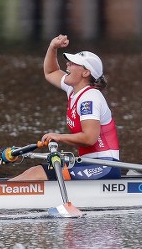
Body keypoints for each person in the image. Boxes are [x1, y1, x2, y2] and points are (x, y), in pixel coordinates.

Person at [10, 35, 121, 181]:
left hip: (104, 167)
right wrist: (53, 47)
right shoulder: (74, 90)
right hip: (88, 163)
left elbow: (89, 138)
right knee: (34, 171)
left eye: (73, 63)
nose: (67, 64)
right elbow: (50, 72)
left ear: (86, 72)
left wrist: (58, 137)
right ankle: (0, 194)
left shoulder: (90, 98)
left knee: (37, 173)